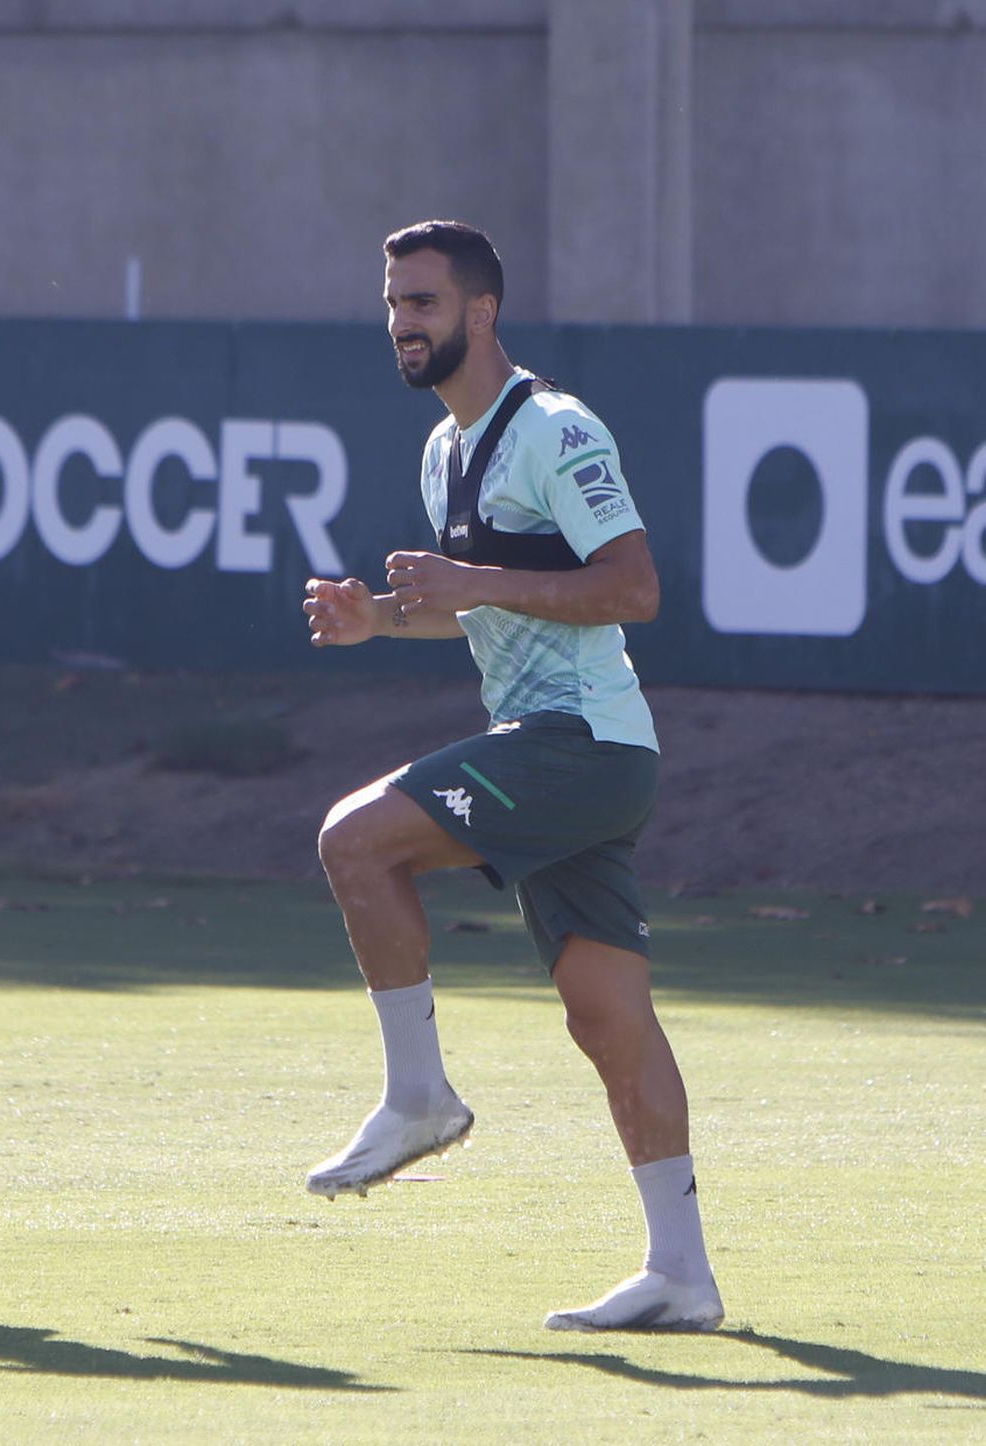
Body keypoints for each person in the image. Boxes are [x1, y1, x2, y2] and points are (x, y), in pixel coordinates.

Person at [301, 220, 722, 1332]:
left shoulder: (554, 428)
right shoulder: (444, 447)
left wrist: (462, 576)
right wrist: (379, 622)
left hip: (578, 741)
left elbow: (632, 590)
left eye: (424, 304)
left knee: (355, 839)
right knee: (605, 1016)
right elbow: (479, 600)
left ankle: (418, 1098)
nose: (402, 324)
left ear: (480, 312)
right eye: (392, 303)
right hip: (564, 748)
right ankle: (681, 1274)